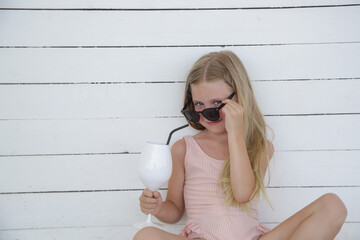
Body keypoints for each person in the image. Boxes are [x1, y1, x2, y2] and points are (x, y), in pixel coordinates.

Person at [133, 51, 347, 240]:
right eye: (199, 105)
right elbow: (175, 210)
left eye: (217, 104)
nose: (207, 114)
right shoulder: (184, 148)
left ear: (239, 96)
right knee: (145, 236)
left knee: (332, 206)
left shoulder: (259, 146)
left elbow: (242, 194)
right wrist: (159, 207)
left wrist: (235, 131)